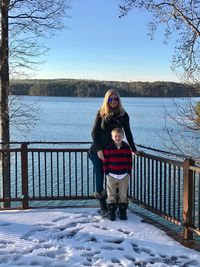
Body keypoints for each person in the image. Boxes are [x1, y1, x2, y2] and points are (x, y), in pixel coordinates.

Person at [88, 89, 137, 215]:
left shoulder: (123, 115)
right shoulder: (101, 113)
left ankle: (114, 205)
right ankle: (103, 205)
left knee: (115, 178)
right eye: (111, 99)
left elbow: (128, 132)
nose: (113, 101)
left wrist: (133, 149)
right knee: (100, 176)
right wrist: (99, 150)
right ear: (107, 100)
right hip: (97, 151)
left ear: (119, 100)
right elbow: (94, 133)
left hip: (115, 153)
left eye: (116, 99)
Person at [103, 127, 132, 221]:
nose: (118, 138)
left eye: (120, 136)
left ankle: (122, 212)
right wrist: (107, 172)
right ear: (112, 137)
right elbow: (105, 161)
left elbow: (129, 161)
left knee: (123, 195)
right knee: (111, 195)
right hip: (111, 175)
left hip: (124, 176)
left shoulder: (127, 147)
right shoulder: (109, 148)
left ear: (123, 136)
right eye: (115, 136)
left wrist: (128, 172)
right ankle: (112, 213)